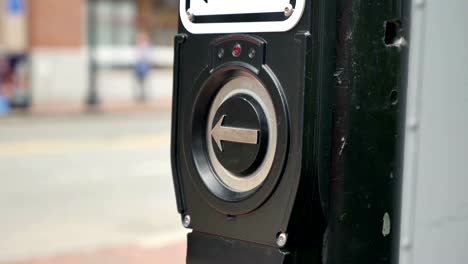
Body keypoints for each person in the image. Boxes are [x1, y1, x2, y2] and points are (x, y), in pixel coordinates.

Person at [134, 32, 151, 102]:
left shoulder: (145, 46)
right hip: (139, 65)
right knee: (139, 82)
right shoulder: (138, 46)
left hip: (143, 65)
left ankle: (143, 96)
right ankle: (140, 95)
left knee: (143, 82)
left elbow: (146, 56)